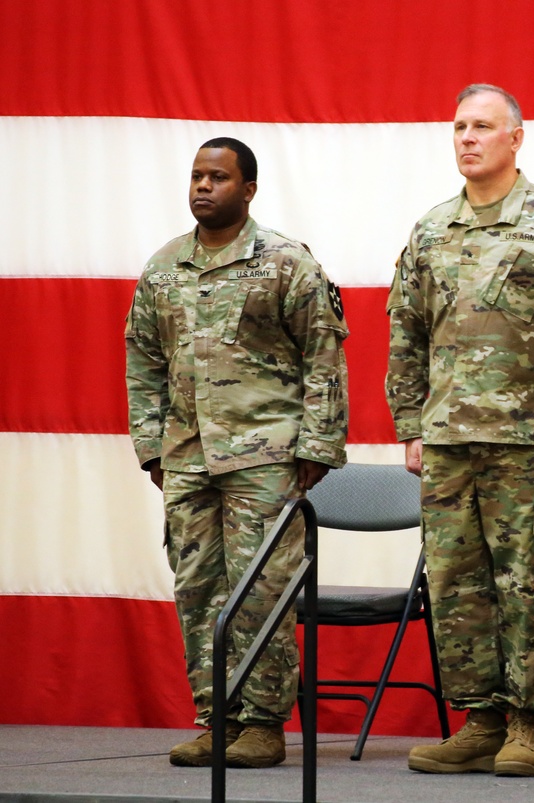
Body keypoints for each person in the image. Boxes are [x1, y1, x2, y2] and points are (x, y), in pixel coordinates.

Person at [385, 84, 534, 777]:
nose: (468, 138)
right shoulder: (433, 229)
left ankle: (525, 723)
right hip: (448, 440)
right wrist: (411, 423)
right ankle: (479, 718)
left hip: (530, 440)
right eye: (460, 126)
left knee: (527, 580)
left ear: (516, 137)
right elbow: (404, 331)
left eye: (483, 127)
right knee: (457, 583)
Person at [125, 137, 349, 768]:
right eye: (197, 176)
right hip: (186, 457)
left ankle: (263, 723)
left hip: (265, 454)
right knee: (198, 589)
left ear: (247, 190)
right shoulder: (164, 266)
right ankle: (216, 717)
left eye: (219, 177)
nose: (203, 187)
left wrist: (317, 446)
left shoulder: (284, 262)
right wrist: (151, 448)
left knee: (261, 591)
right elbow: (142, 361)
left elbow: (324, 358)